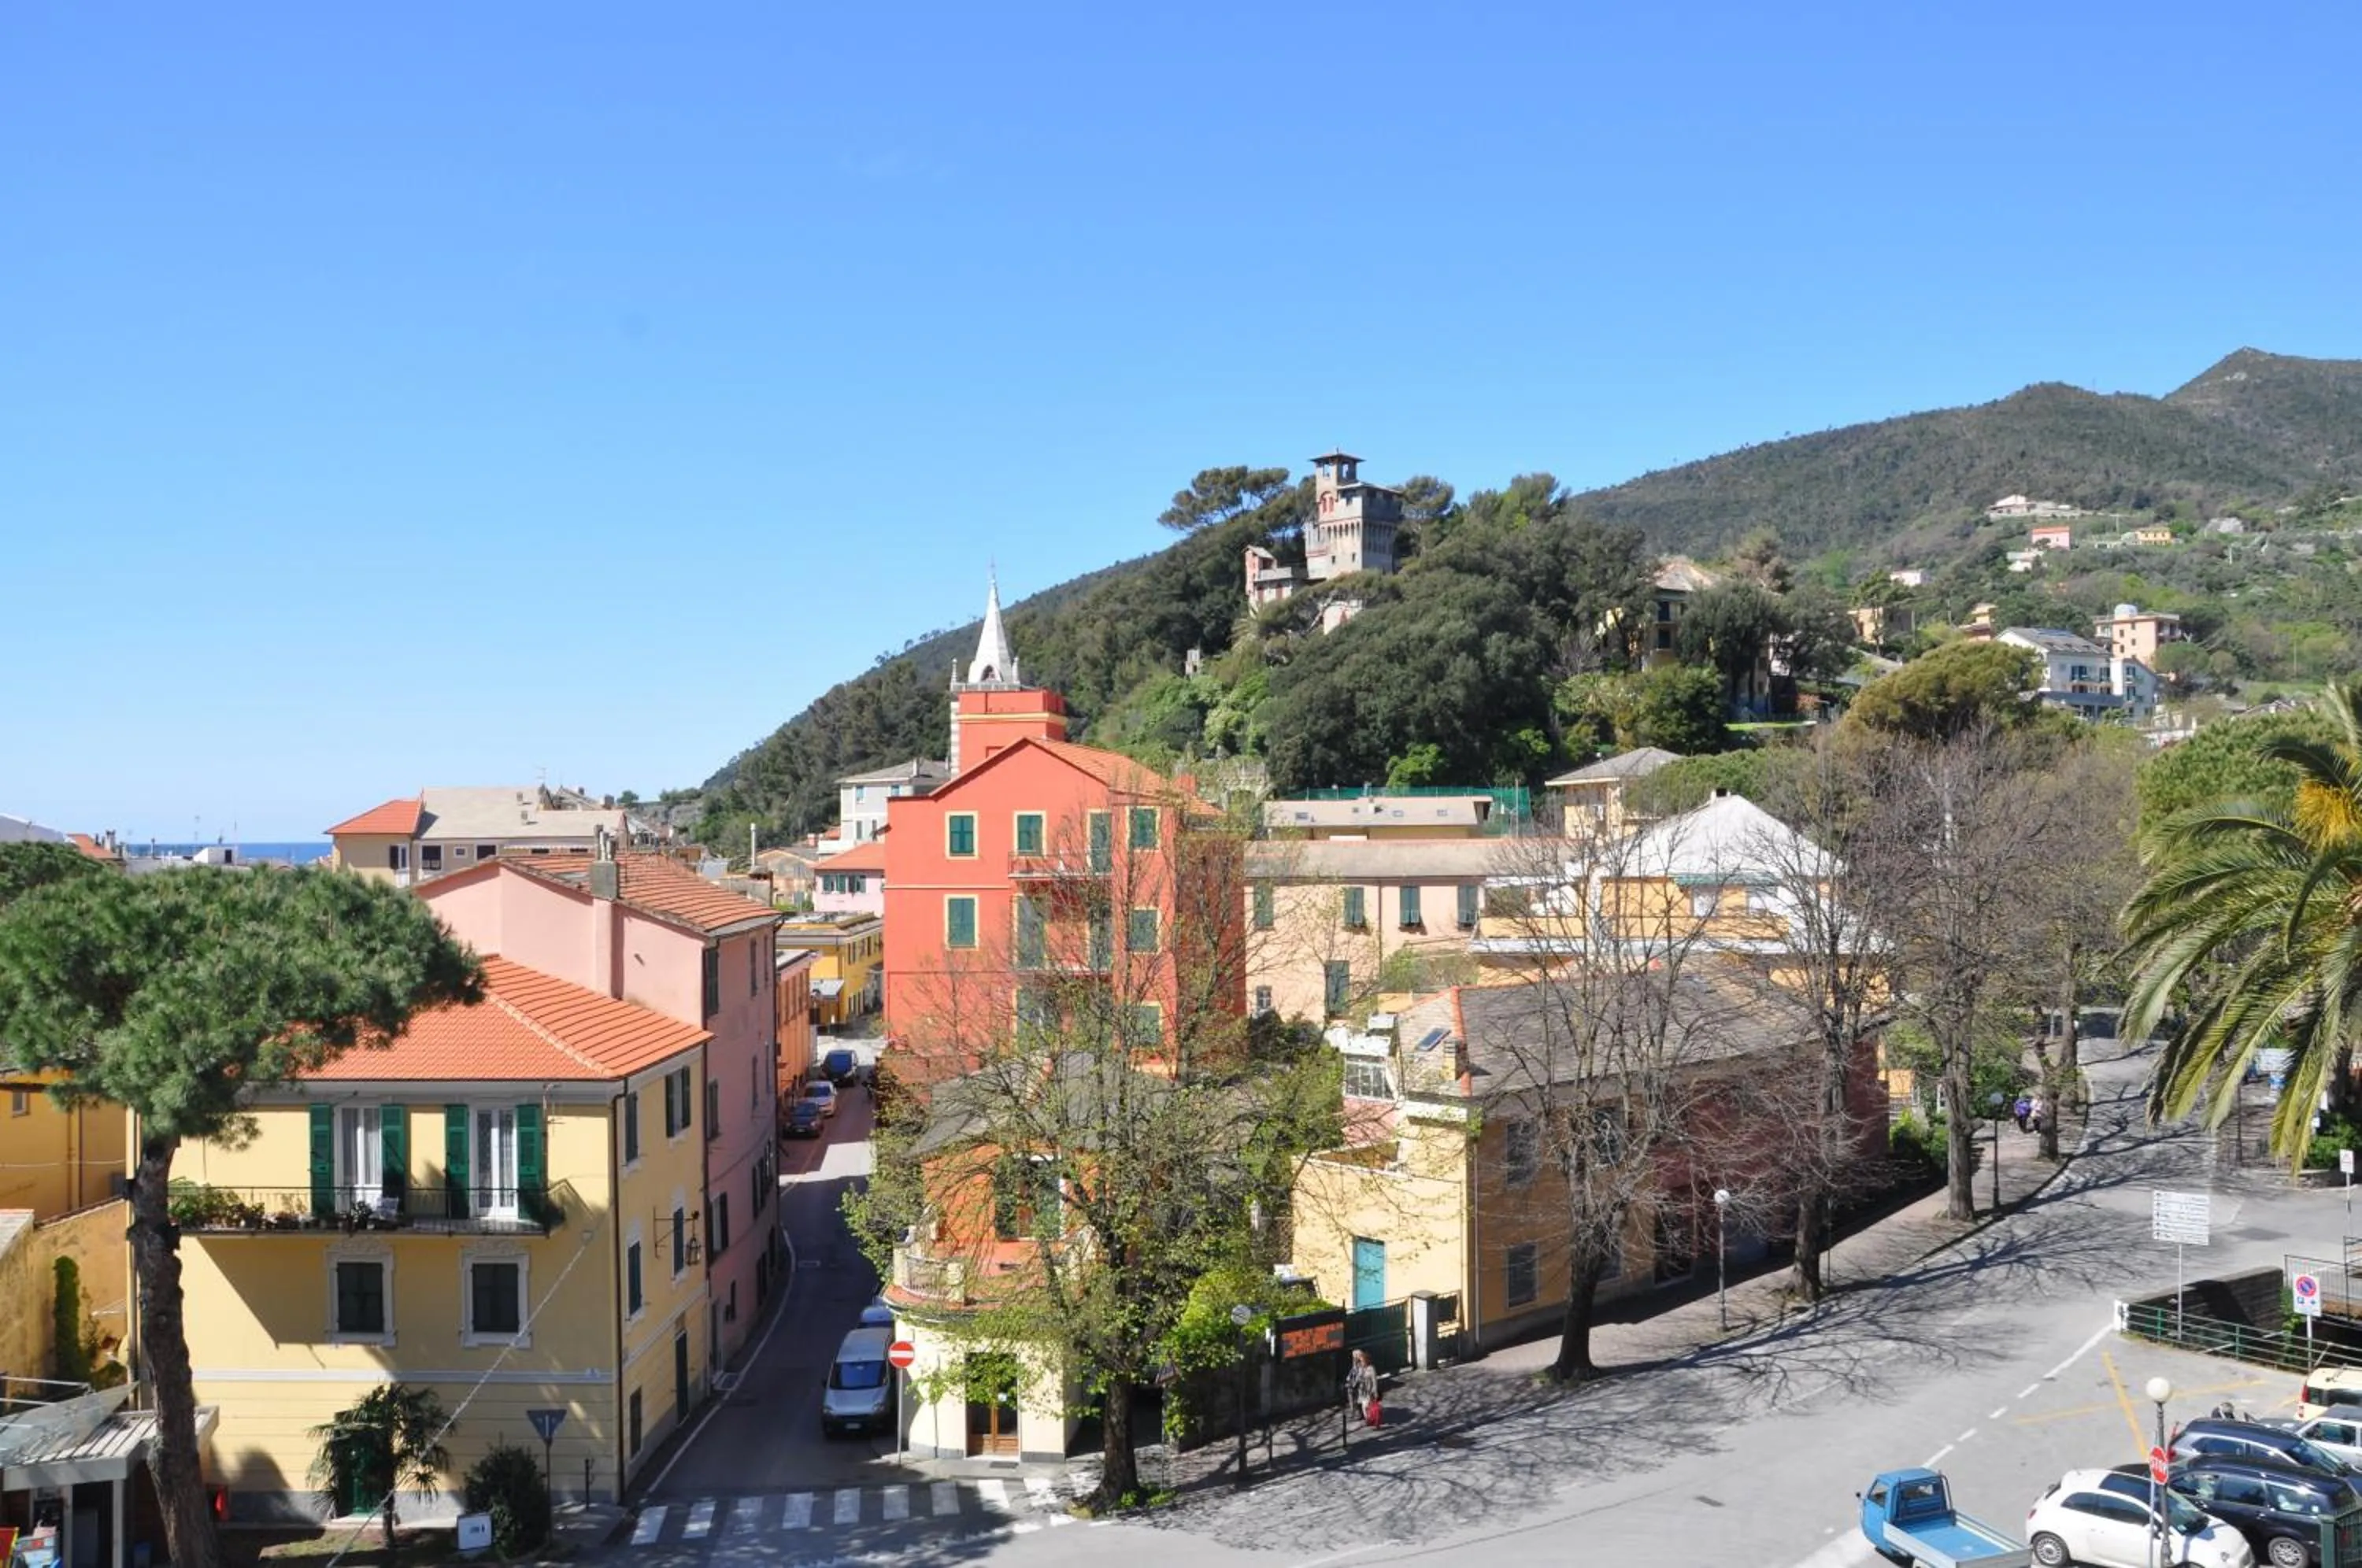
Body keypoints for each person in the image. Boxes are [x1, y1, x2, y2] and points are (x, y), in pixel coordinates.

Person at [1346, 1349, 1379, 1424]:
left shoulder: (1371, 1369)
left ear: (1366, 1361)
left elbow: (1374, 1381)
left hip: (1368, 1390)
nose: (1361, 1363)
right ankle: (1368, 1418)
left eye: (1362, 1361)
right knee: (1362, 1405)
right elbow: (1356, 1376)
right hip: (1361, 1390)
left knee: (1366, 1406)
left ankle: (1370, 1419)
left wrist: (1375, 1391)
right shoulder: (1360, 1368)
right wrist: (1352, 1383)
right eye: (1360, 1361)